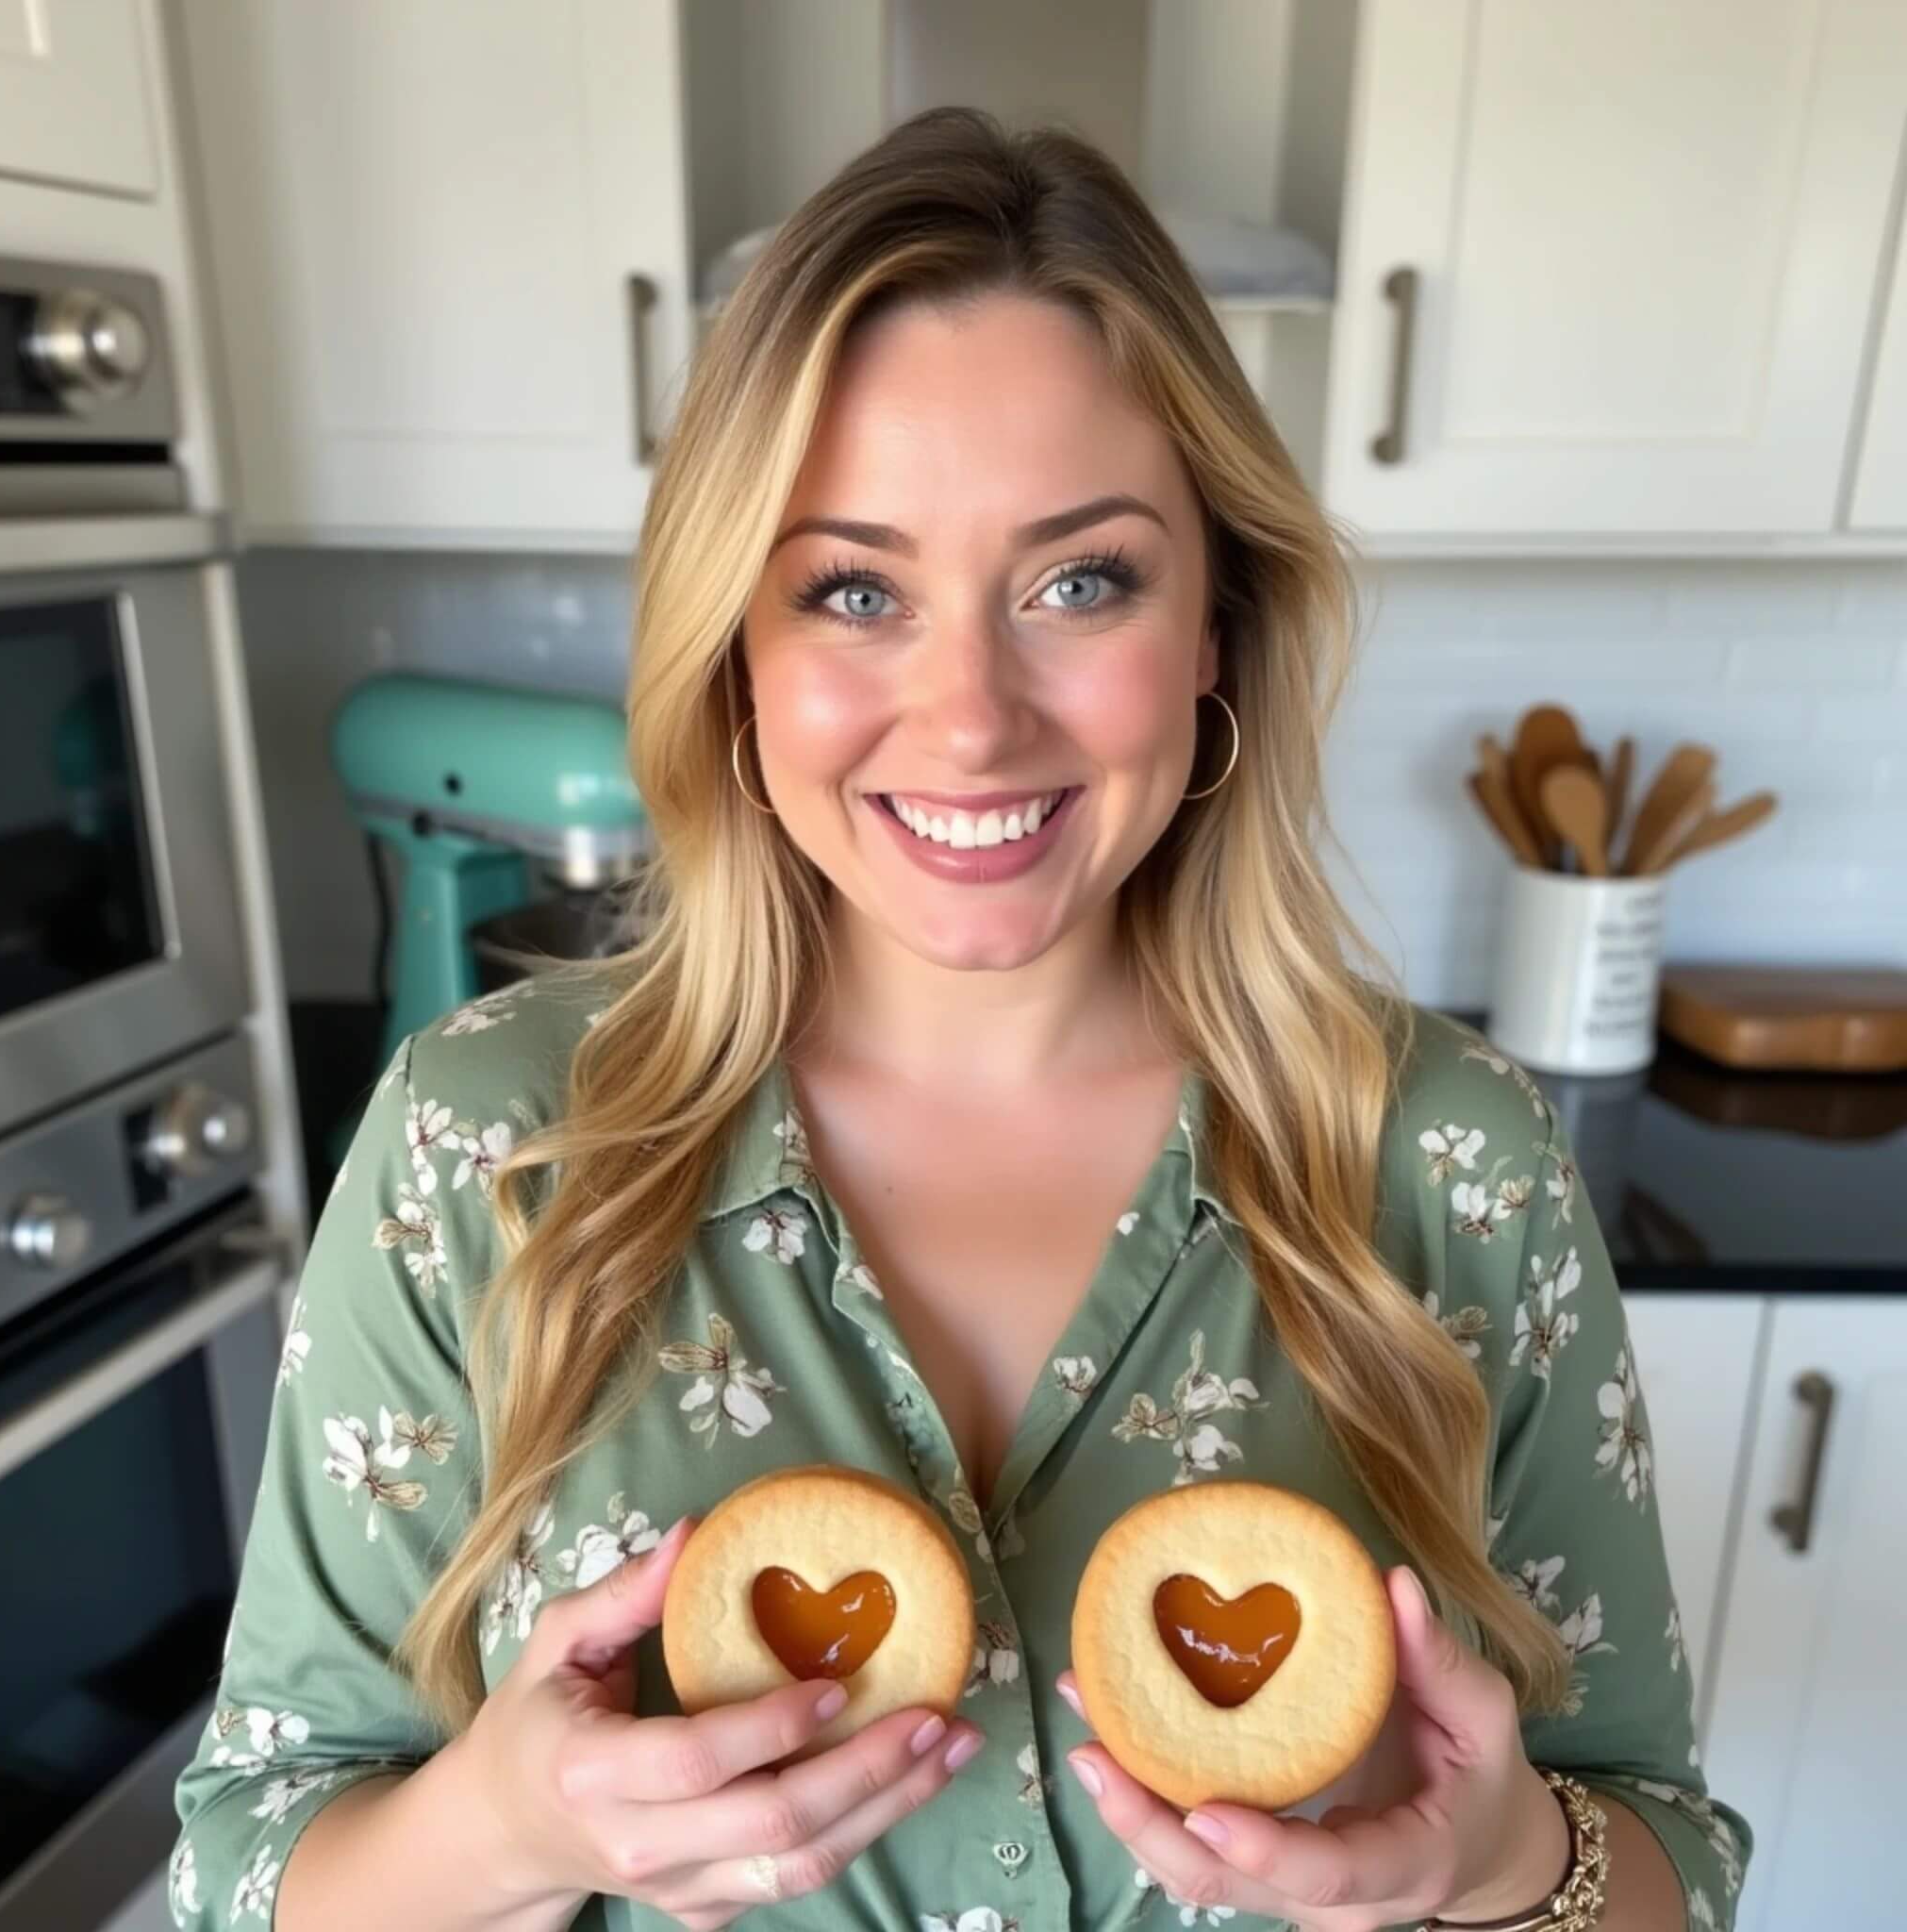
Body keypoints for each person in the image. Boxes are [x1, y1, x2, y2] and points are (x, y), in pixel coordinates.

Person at [170, 107, 1749, 1932]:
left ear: (1220, 621)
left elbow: (1672, 1866)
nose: (972, 718)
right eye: (853, 589)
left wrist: (1497, 1864)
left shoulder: (1448, 1156)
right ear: (734, 654)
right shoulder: (487, 1147)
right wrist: (505, 1836)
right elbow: (249, 1869)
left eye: (1082, 582)